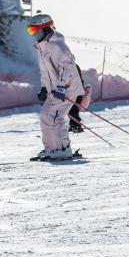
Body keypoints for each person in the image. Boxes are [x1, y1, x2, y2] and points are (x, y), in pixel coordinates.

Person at [27, 13, 85, 159]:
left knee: (54, 117)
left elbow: (67, 68)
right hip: (54, 89)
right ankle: (51, 149)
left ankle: (63, 149)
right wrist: (44, 88)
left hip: (67, 88)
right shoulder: (42, 47)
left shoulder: (57, 45)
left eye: (34, 30)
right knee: (45, 117)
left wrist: (61, 87)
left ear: (45, 28)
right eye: (30, 31)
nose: (33, 34)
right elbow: (46, 73)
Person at [68, 64, 92, 133]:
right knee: (72, 110)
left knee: (73, 109)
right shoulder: (71, 65)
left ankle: (76, 126)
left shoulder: (72, 65)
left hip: (76, 91)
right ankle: (74, 125)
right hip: (76, 91)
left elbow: (75, 80)